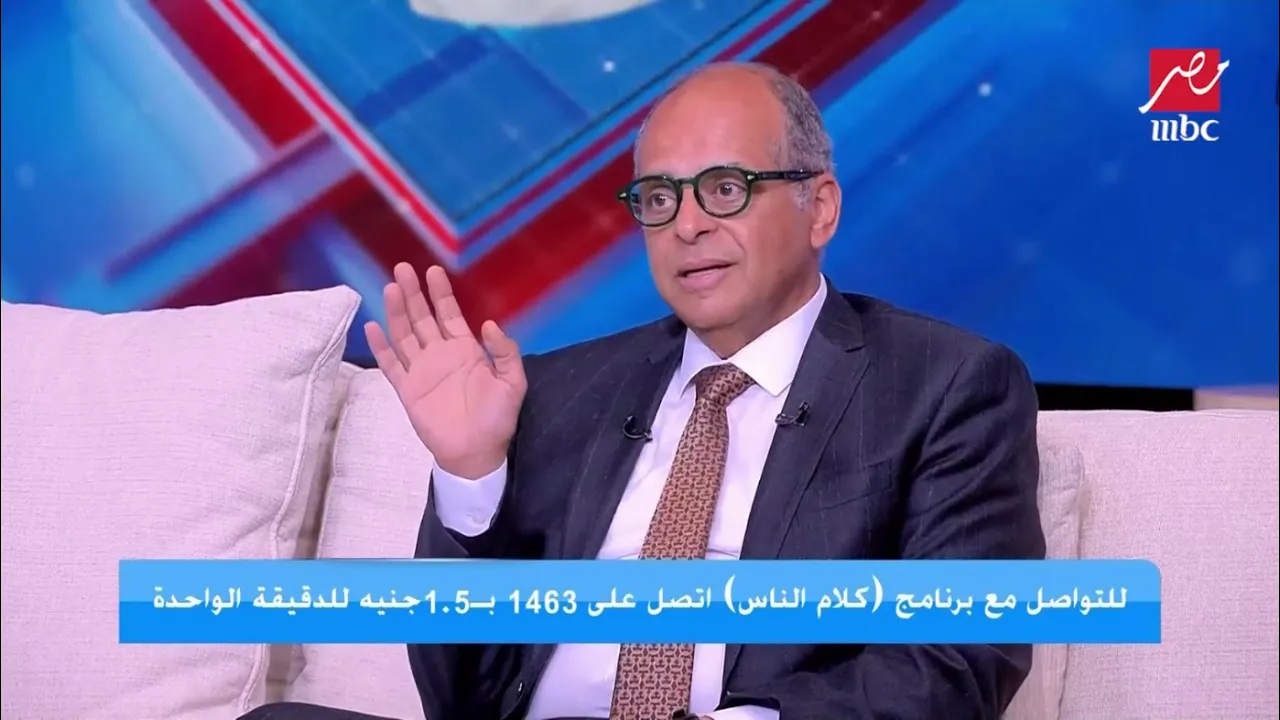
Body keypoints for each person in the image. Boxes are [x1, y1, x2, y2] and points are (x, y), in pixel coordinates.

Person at [242, 61, 1044, 720]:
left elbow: (958, 659)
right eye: (659, 198)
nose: (687, 225)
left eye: (725, 188)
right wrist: (470, 478)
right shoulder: (560, 390)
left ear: (819, 208)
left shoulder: (943, 384)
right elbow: (461, 697)